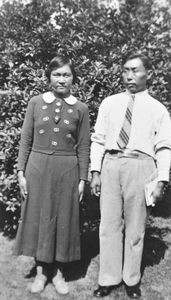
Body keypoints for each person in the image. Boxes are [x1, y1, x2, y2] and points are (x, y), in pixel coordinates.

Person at [90, 51, 171, 298]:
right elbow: (98, 139)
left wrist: (162, 179)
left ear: (149, 74)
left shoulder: (158, 109)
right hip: (112, 164)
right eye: (125, 70)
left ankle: (131, 279)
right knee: (109, 225)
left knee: (136, 227)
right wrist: (95, 170)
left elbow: (163, 146)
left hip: (141, 166)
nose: (129, 76)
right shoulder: (110, 103)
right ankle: (108, 279)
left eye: (135, 70)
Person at [13, 55, 90, 295]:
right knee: (38, 218)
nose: (61, 79)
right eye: (57, 74)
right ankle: (40, 272)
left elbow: (84, 145)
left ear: (73, 78)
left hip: (67, 170)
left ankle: (58, 273)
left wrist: (82, 179)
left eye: (66, 75)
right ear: (49, 77)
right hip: (37, 167)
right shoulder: (35, 102)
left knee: (63, 219)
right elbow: (25, 138)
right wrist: (20, 171)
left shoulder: (81, 108)